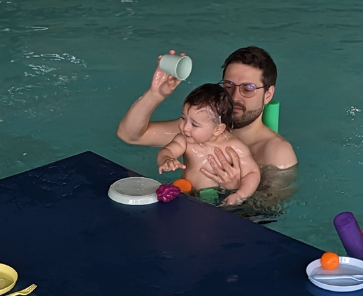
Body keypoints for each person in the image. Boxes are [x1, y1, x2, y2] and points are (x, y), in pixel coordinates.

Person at [117, 46, 297, 191]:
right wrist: (155, 94)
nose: (235, 96)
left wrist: (234, 190)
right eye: (229, 85)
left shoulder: (277, 153)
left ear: (268, 94)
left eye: (248, 88)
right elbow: (130, 135)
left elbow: (269, 215)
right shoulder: (196, 129)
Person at [157, 84, 260, 206]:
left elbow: (252, 173)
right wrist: (167, 159)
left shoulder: (234, 147)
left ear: (218, 129)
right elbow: (167, 150)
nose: (185, 127)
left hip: (218, 195)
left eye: (194, 125)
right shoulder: (185, 140)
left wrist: (240, 195)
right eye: (183, 118)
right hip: (188, 192)